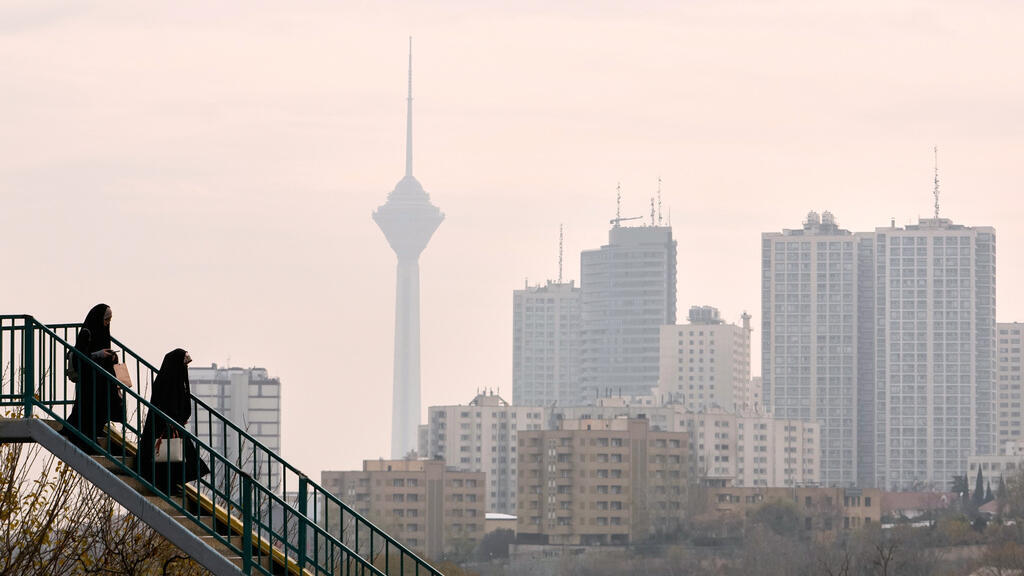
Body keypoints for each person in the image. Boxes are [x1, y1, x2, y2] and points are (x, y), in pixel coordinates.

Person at [138, 348, 210, 496]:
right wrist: (169, 421)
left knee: (178, 457)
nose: (186, 368)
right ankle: (167, 486)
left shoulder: (176, 380)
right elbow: (162, 403)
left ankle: (171, 485)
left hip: (174, 425)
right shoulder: (166, 380)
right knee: (172, 458)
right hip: (163, 426)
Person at [63, 303, 125, 452]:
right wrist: (99, 354)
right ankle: (85, 437)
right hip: (89, 382)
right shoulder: (86, 333)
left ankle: (92, 436)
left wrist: (111, 357)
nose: (107, 323)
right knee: (87, 410)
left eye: (109, 320)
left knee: (100, 410)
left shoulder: (103, 333)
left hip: (100, 381)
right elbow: (80, 358)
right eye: (106, 319)